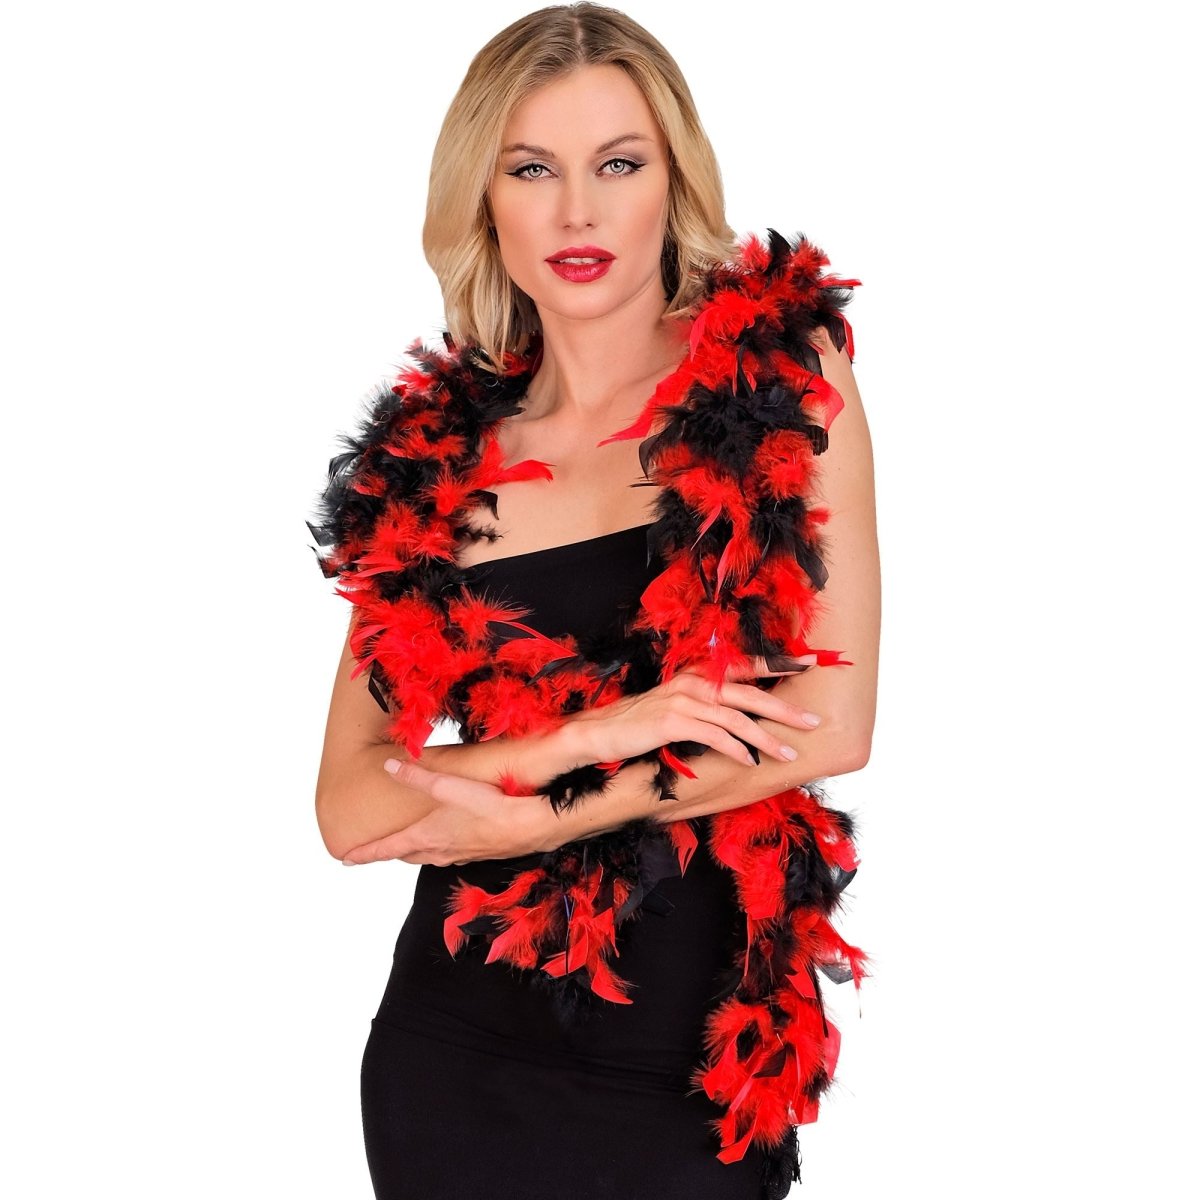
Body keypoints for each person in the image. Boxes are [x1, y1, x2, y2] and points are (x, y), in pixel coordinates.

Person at [309, 5, 879, 1198]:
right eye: (532, 169)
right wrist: (586, 739)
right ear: (484, 200)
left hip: (688, 1067)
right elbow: (353, 808)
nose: (577, 212)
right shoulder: (436, 465)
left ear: (672, 184)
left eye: (618, 165)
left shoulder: (781, 384)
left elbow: (830, 725)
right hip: (453, 1058)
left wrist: (538, 818)